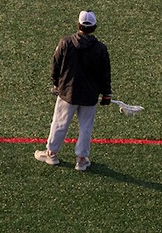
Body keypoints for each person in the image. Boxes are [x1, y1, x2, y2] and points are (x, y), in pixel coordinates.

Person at [34, 10, 113, 172]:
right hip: (90, 95)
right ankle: (81, 160)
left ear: (78, 25)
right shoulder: (100, 49)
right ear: (94, 27)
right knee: (86, 127)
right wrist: (106, 94)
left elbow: (55, 66)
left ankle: (51, 154)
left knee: (59, 124)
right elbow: (105, 74)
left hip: (67, 93)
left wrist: (56, 84)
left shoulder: (66, 42)